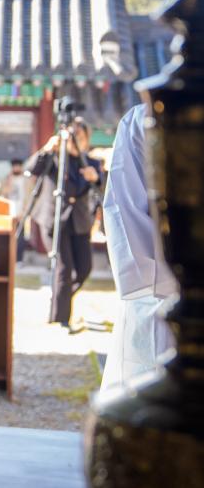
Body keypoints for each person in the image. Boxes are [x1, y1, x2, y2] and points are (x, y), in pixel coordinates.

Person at [101, 104, 177, 389]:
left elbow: (126, 212)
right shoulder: (144, 119)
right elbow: (128, 212)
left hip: (164, 287)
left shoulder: (144, 118)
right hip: (163, 298)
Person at [25, 117, 102, 330]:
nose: (76, 139)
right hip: (53, 219)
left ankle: (59, 301)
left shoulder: (92, 163)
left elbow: (101, 190)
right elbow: (31, 169)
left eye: (80, 136)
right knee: (63, 269)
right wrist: (47, 148)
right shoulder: (55, 159)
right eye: (73, 135)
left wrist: (95, 178)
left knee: (84, 269)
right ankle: (61, 319)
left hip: (80, 222)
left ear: (86, 139)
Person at [0, 158, 28, 261]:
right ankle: (8, 259)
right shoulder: (6, 179)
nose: (16, 168)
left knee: (20, 238)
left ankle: (19, 259)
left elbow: (29, 196)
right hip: (9, 213)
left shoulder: (26, 179)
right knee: (7, 238)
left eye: (18, 166)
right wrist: (9, 181)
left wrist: (25, 212)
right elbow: (2, 194)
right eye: (14, 166)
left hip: (21, 213)